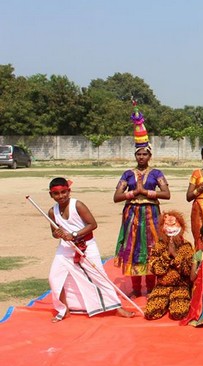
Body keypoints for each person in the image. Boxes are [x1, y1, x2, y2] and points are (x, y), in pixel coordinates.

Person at [47, 178, 134, 322]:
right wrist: (57, 234)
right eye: (56, 194)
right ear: (51, 195)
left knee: (99, 276)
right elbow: (54, 233)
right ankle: (64, 309)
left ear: (69, 191)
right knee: (54, 277)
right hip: (65, 249)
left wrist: (74, 234)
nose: (61, 196)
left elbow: (92, 224)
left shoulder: (78, 205)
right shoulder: (52, 212)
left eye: (64, 192)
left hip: (86, 245)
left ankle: (117, 307)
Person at [114, 104, 171, 296]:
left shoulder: (156, 173)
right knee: (134, 248)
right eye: (138, 154)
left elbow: (166, 194)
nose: (141, 156)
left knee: (153, 249)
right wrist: (132, 193)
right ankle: (137, 289)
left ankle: (152, 287)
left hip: (151, 216)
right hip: (133, 216)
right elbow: (117, 197)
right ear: (135, 155)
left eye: (144, 153)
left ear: (150, 155)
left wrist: (145, 193)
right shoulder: (128, 174)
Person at [144, 210, 194, 321]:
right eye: (167, 225)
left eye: (174, 225)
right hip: (162, 286)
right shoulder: (158, 246)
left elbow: (188, 271)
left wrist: (175, 255)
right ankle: (165, 303)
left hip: (180, 286)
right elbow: (156, 269)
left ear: (181, 226)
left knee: (179, 313)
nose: (171, 228)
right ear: (162, 227)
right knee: (151, 313)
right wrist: (167, 255)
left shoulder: (186, 246)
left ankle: (173, 302)